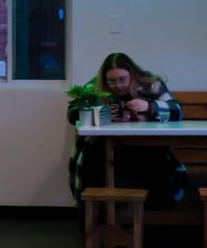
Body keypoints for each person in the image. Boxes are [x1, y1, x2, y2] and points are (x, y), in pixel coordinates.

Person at [67, 52, 185, 209]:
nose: (117, 85)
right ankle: (94, 215)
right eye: (112, 81)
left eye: (122, 79)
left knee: (157, 160)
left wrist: (150, 106)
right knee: (91, 157)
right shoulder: (96, 86)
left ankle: (151, 216)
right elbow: (72, 112)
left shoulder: (151, 84)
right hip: (105, 146)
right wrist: (100, 113)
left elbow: (177, 110)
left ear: (132, 74)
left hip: (145, 146)